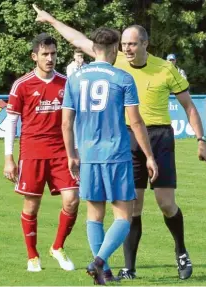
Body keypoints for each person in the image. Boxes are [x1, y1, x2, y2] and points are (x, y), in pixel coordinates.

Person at [33, 4, 206, 280]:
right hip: (125, 141)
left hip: (158, 136)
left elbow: (189, 106)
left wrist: (201, 139)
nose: (127, 49)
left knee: (164, 204)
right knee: (131, 207)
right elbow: (77, 38)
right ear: (117, 47)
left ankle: (179, 251)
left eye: (132, 44)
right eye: (124, 44)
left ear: (144, 44)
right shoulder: (117, 69)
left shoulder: (165, 68)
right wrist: (51, 19)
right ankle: (124, 267)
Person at [61, 27, 159, 285]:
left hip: (88, 155)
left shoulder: (75, 78)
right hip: (116, 154)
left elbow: (66, 123)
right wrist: (149, 156)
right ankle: (99, 262)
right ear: (115, 48)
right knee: (124, 218)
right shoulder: (123, 78)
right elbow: (136, 122)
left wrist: (72, 154)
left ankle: (102, 274)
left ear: (94, 48)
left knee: (94, 216)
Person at [3, 33, 79, 272]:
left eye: (54, 54)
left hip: (61, 153)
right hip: (32, 153)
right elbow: (11, 122)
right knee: (31, 207)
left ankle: (57, 247)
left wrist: (75, 151)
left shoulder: (67, 83)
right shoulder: (22, 85)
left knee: (72, 200)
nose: (50, 58)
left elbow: (74, 120)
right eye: (45, 54)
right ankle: (32, 256)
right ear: (34, 56)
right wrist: (9, 158)